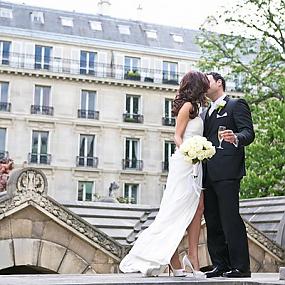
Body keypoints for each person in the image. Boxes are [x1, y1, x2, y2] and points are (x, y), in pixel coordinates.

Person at [119, 71, 210, 278]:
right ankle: (175, 258)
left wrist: (199, 154)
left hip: (197, 164)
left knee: (198, 208)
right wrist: (191, 152)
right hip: (185, 162)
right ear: (196, 86)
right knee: (176, 209)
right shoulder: (187, 107)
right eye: (204, 84)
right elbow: (177, 137)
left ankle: (191, 259)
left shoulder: (198, 107)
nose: (206, 87)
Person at [202, 72, 255, 278]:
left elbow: (248, 133)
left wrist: (235, 137)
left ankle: (241, 267)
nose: (204, 85)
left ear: (219, 83)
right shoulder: (206, 112)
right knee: (212, 220)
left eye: (207, 81)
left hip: (228, 171)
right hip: (208, 173)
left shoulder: (236, 105)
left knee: (230, 218)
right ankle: (220, 264)